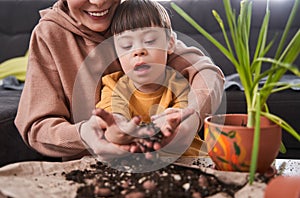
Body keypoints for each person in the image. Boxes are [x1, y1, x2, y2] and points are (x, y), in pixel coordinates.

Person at [15, 0, 225, 162]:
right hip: (97, 172)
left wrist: (193, 115)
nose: (98, 2)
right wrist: (85, 135)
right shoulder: (49, 35)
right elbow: (37, 125)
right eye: (125, 45)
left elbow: (206, 72)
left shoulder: (132, 16)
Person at [96, 0, 204, 158]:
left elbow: (181, 124)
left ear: (170, 44)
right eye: (126, 45)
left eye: (150, 41)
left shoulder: (180, 85)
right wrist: (116, 130)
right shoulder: (113, 85)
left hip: (187, 159)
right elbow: (114, 119)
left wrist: (171, 125)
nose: (138, 51)